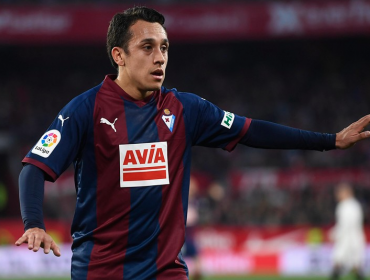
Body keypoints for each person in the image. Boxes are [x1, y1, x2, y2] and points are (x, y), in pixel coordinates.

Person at [15, 6, 370, 280]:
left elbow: (253, 131)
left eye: (165, 47)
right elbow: (35, 168)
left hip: (166, 270)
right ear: (119, 55)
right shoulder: (85, 110)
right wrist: (33, 223)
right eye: (147, 47)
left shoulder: (185, 109)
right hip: (101, 271)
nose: (160, 57)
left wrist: (330, 141)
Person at [329, 183, 366, 280]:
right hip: (355, 238)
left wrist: (334, 234)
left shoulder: (344, 206)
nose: (337, 195)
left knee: (339, 261)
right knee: (355, 264)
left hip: (347, 238)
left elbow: (345, 225)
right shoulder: (355, 205)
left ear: (346, 193)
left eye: (339, 193)